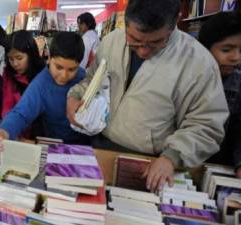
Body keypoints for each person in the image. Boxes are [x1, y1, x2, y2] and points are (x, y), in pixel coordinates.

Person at [67, 0, 229, 192]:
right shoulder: (111, 42)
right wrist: (75, 96)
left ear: (174, 24)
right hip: (100, 146)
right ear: (125, 23)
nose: (143, 51)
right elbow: (92, 80)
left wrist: (172, 156)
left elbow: (207, 124)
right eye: (135, 41)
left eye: (156, 43)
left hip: (152, 163)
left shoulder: (198, 62)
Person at [0, 31, 91, 152]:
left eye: (72, 69)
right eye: (58, 67)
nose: (64, 75)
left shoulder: (83, 76)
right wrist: (4, 130)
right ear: (49, 58)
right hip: (56, 148)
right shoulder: (41, 84)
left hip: (87, 146)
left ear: (79, 64)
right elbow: (22, 113)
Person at [198, 11, 241, 178]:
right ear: (204, 49)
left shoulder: (237, 83)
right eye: (226, 49)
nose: (235, 57)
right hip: (179, 159)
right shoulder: (187, 77)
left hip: (220, 167)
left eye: (240, 50)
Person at [1, 30, 45, 118]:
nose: (15, 64)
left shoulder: (43, 74)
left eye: (19, 58)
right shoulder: (8, 74)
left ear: (31, 55)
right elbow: (7, 105)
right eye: (11, 59)